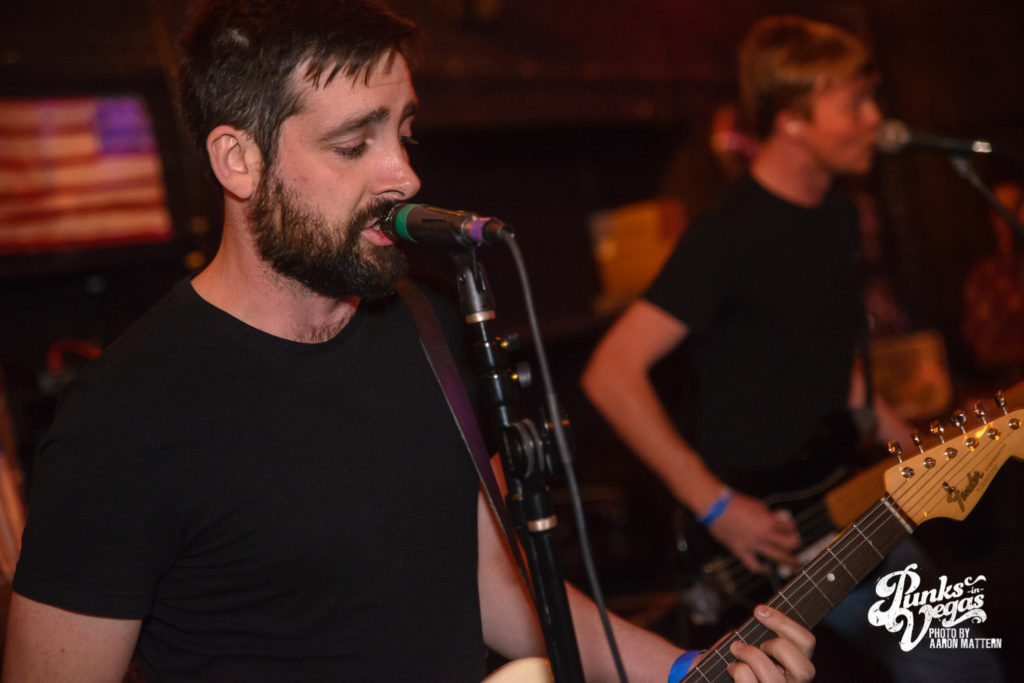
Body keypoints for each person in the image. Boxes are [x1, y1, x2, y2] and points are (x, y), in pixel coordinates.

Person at [2, 1, 817, 681]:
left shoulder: (428, 325)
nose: (405, 174)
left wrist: (682, 669)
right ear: (238, 160)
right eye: (354, 144)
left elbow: (495, 587)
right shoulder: (124, 419)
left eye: (403, 131)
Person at [582, 14, 1003, 682]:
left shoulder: (837, 213)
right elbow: (611, 373)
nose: (876, 119)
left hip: (842, 494)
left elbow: (825, 358)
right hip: (766, 528)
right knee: (955, 659)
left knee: (965, 654)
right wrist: (717, 505)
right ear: (792, 120)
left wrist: (905, 436)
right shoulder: (727, 235)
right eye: (855, 103)